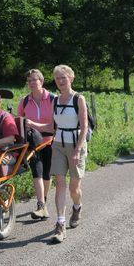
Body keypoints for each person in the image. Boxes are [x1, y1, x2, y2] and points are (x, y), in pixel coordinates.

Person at [41, 65, 88, 243]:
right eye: (57, 78)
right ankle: (60, 223)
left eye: (63, 78)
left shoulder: (79, 99)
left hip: (76, 144)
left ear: (71, 78)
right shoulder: (55, 100)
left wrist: (77, 150)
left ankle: (77, 206)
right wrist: (31, 124)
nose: (60, 81)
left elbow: (84, 127)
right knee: (60, 183)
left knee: (73, 188)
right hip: (58, 144)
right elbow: (51, 127)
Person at [18, 69, 55, 220]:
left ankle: (44, 201)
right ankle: (40, 204)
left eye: (35, 79)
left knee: (47, 174)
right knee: (37, 172)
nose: (32, 83)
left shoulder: (53, 99)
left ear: (42, 81)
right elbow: (19, 122)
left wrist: (35, 124)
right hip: (33, 143)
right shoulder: (25, 101)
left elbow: (56, 124)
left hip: (51, 141)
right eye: (29, 81)